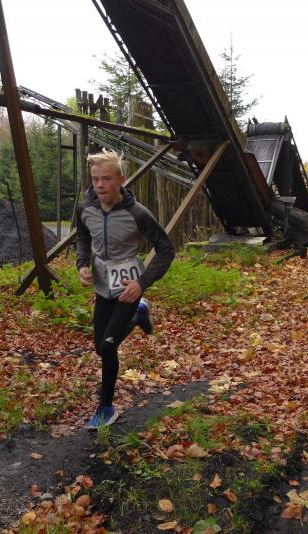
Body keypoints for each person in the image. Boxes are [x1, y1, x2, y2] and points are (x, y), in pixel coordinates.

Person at [76, 149, 174, 430]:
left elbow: (166, 250)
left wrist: (141, 283)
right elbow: (82, 237)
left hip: (129, 285)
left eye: (107, 179)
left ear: (121, 180)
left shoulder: (137, 213)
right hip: (102, 285)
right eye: (96, 179)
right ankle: (139, 314)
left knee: (108, 346)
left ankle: (105, 408)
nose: (100, 185)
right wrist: (82, 264)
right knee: (100, 347)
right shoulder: (85, 209)